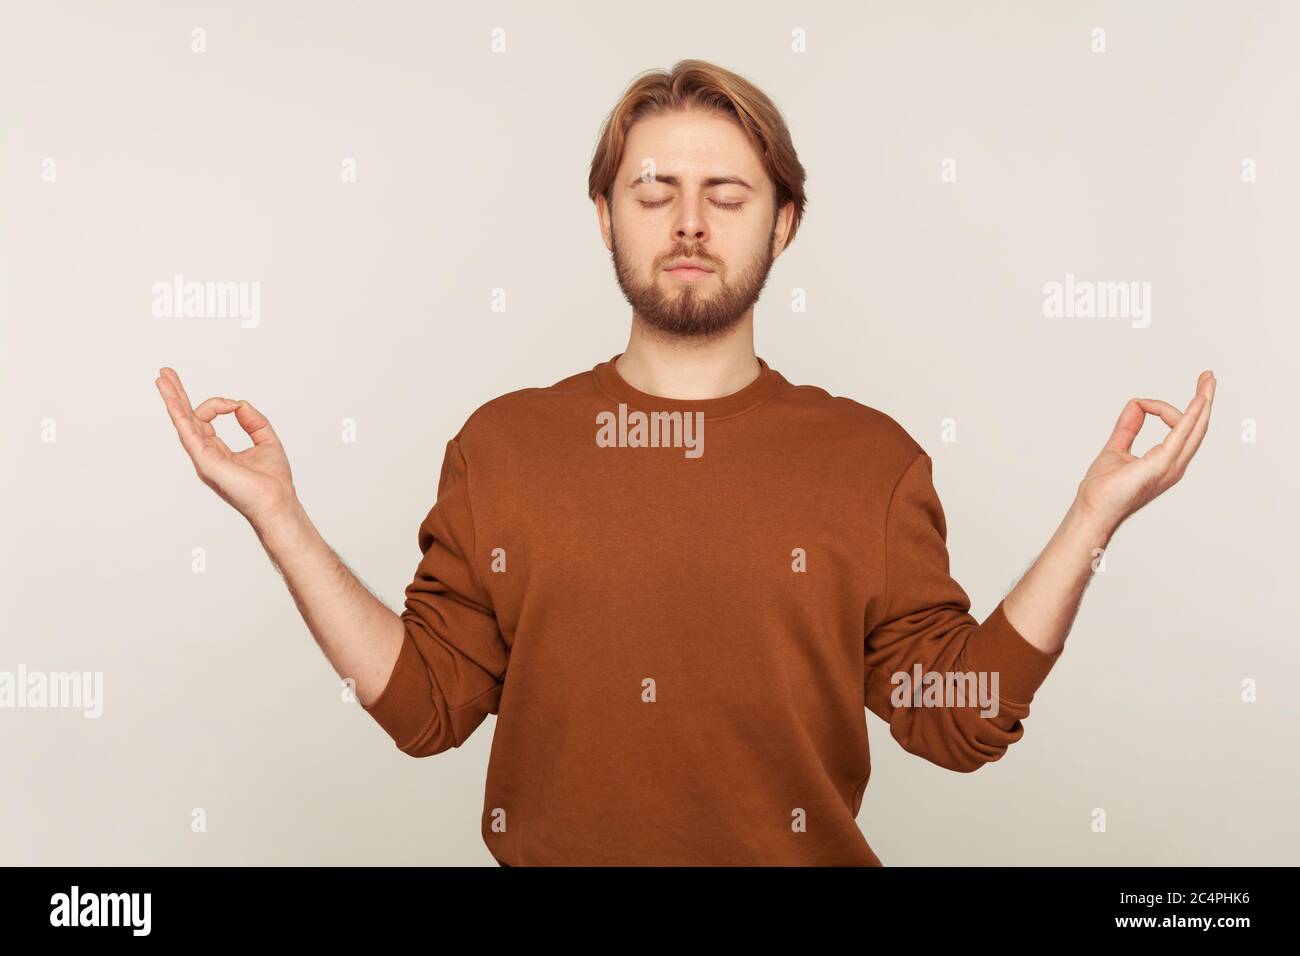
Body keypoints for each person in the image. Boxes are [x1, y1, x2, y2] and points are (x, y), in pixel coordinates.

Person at [154, 59, 1215, 866]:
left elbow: (959, 714)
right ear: (604, 216)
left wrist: (1090, 517)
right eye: (654, 191)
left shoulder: (870, 460)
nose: (691, 223)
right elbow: (429, 706)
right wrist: (279, 516)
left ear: (784, 222)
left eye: (730, 193)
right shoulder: (502, 447)